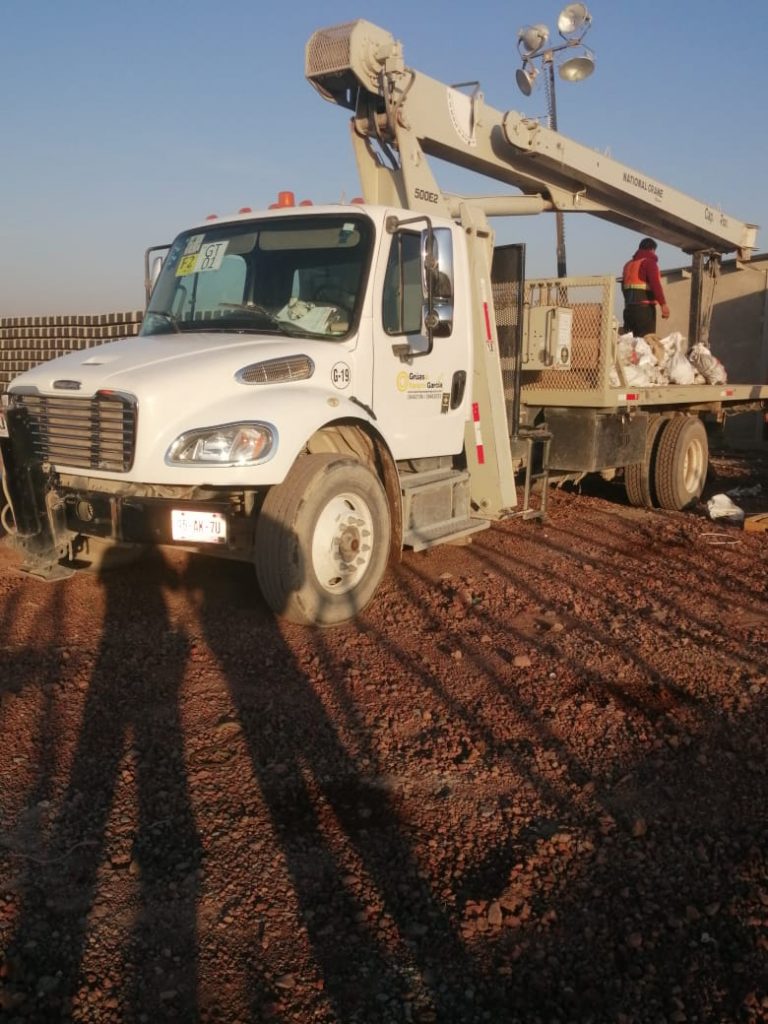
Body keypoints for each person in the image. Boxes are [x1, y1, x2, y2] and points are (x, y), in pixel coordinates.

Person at [621, 237, 670, 337]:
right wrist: (663, 304)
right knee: (646, 343)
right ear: (652, 250)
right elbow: (655, 285)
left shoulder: (628, 265)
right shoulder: (649, 263)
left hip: (628, 310)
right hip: (644, 311)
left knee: (630, 344)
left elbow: (623, 287)